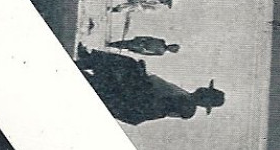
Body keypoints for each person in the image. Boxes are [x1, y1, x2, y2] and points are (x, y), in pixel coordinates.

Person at [76, 48, 225, 124]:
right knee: (125, 66)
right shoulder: (186, 97)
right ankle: (89, 59)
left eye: (207, 92)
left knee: (128, 65)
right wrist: (143, 75)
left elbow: (153, 100)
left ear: (206, 101)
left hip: (133, 104)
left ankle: (89, 59)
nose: (203, 88)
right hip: (136, 100)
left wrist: (142, 75)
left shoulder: (187, 105)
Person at [108, 37, 180, 56]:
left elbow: (150, 54)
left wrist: (140, 52)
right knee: (127, 42)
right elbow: (150, 38)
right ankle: (111, 44)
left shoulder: (161, 52)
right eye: (172, 46)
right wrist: (141, 38)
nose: (170, 47)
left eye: (172, 49)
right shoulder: (162, 41)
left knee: (127, 47)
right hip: (142, 42)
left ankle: (111, 46)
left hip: (142, 48)